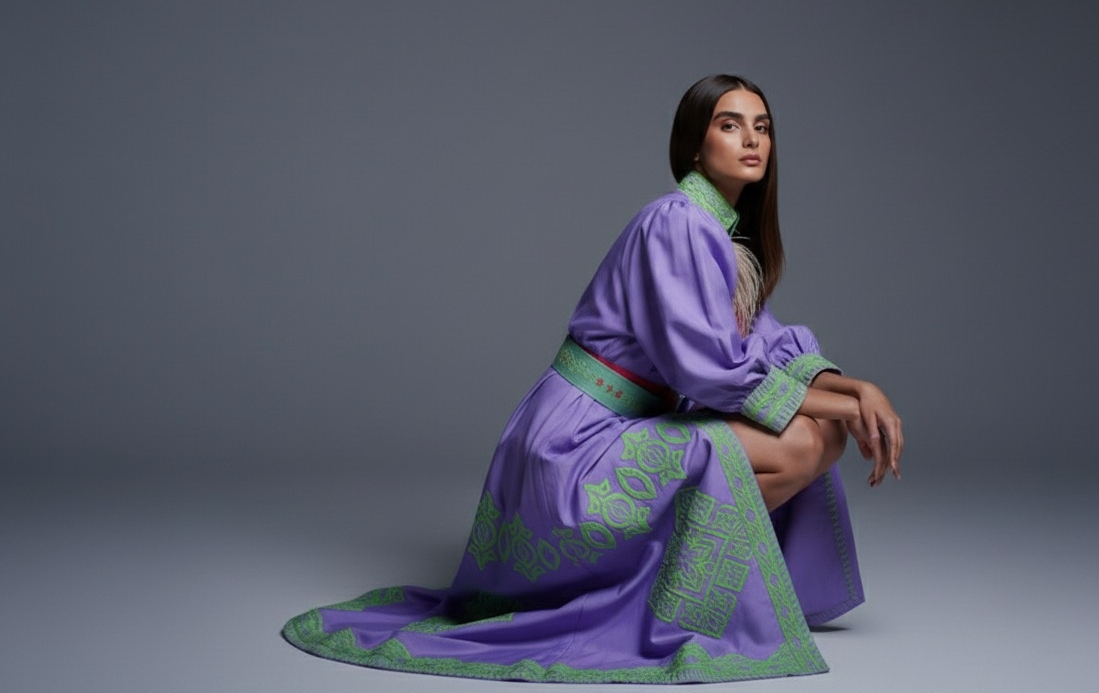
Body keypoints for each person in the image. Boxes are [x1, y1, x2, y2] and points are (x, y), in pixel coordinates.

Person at [282, 74, 905, 683]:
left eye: (762, 128)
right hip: (576, 444)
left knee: (821, 436)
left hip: (623, 427)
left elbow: (764, 347)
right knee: (804, 440)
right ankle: (660, 591)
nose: (751, 140)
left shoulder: (718, 233)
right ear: (694, 146)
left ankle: (671, 580)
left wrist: (856, 391)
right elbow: (709, 373)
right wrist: (848, 406)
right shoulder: (677, 222)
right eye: (729, 125)